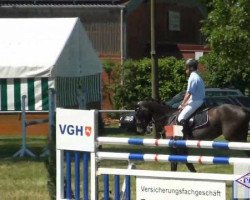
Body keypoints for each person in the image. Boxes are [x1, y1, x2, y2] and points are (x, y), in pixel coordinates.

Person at [177, 58, 205, 136]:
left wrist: (182, 104)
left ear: (191, 68)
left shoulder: (193, 77)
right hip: (196, 100)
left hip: (196, 101)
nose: (185, 70)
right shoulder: (197, 76)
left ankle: (185, 137)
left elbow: (189, 93)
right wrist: (185, 104)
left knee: (180, 117)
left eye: (187, 67)